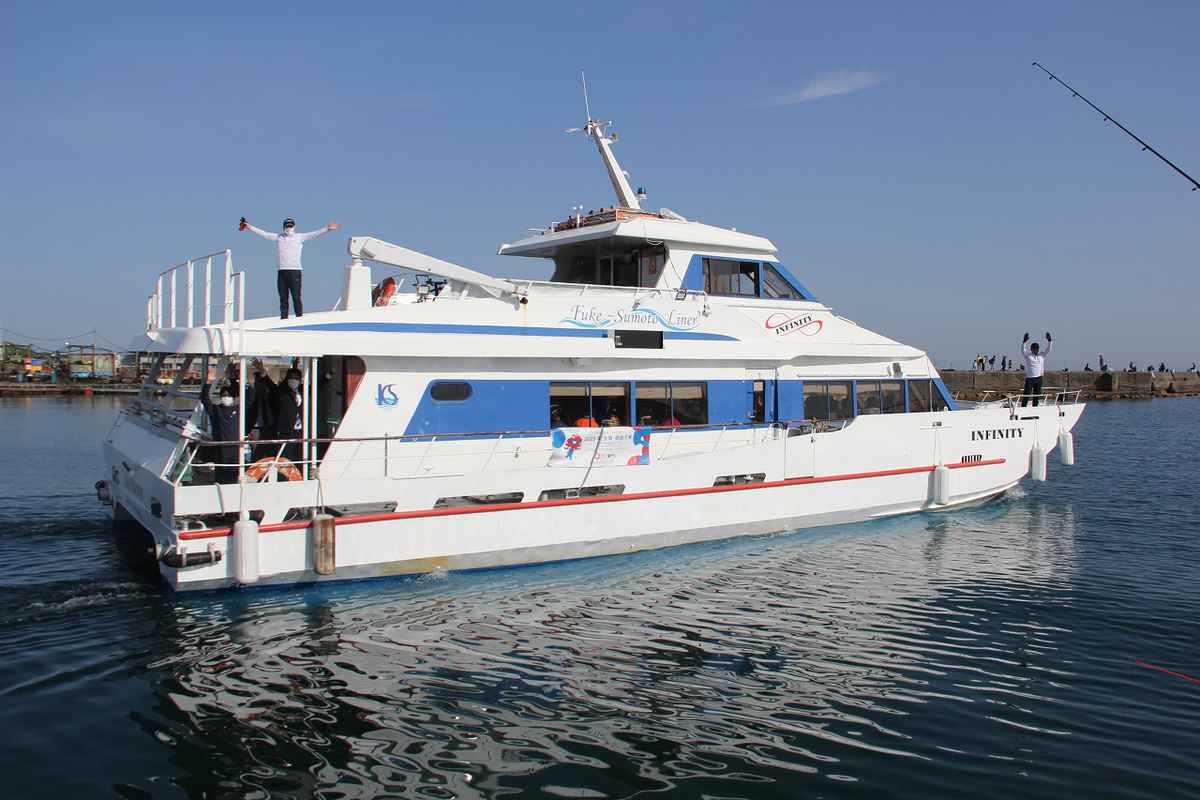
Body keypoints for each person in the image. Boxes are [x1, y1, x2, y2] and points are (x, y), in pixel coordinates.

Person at [242, 216, 341, 319]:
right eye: (287, 226)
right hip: (282, 271)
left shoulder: (300, 237)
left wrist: (327, 228)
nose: (288, 228)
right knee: (283, 297)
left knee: (296, 297)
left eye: (290, 226)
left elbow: (314, 234)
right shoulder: (278, 237)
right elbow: (265, 234)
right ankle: (284, 318)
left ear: (294, 227)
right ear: (283, 227)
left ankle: (299, 318)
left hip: (295, 271)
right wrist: (249, 226)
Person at [252, 358, 305, 463]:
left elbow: (316, 386)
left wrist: (327, 376)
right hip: (286, 431)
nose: (293, 380)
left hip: (300, 432)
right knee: (285, 458)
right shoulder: (282, 392)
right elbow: (271, 386)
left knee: (299, 458)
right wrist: (263, 372)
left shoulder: (302, 390)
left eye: (296, 378)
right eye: (291, 378)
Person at [200, 383, 242, 484]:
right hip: (220, 449)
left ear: (233, 397)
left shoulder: (239, 410)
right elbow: (205, 400)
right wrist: (208, 384)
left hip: (236, 449)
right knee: (221, 476)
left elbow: (249, 398)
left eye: (228, 395)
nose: (226, 397)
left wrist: (234, 379)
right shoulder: (216, 410)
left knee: (234, 474)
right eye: (223, 395)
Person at [1020, 331, 1052, 407]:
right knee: (1026, 395)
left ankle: (1035, 408)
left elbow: (1048, 350)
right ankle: (1023, 408)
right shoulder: (1028, 356)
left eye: (1037, 348)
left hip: (1039, 378)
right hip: (1030, 378)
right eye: (1034, 348)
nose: (1036, 350)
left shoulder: (1042, 355)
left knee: (1036, 396)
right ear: (1031, 349)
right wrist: (1024, 342)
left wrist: (1050, 341)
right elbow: (1023, 350)